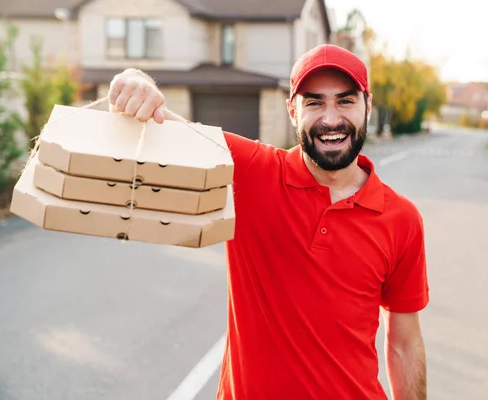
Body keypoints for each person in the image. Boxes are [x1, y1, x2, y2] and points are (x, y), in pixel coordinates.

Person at [108, 44, 429, 400]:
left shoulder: (402, 219)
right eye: (314, 102)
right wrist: (134, 81)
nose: (331, 119)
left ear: (367, 105)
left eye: (345, 101)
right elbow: (164, 126)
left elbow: (404, 342)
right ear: (293, 110)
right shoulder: (249, 171)